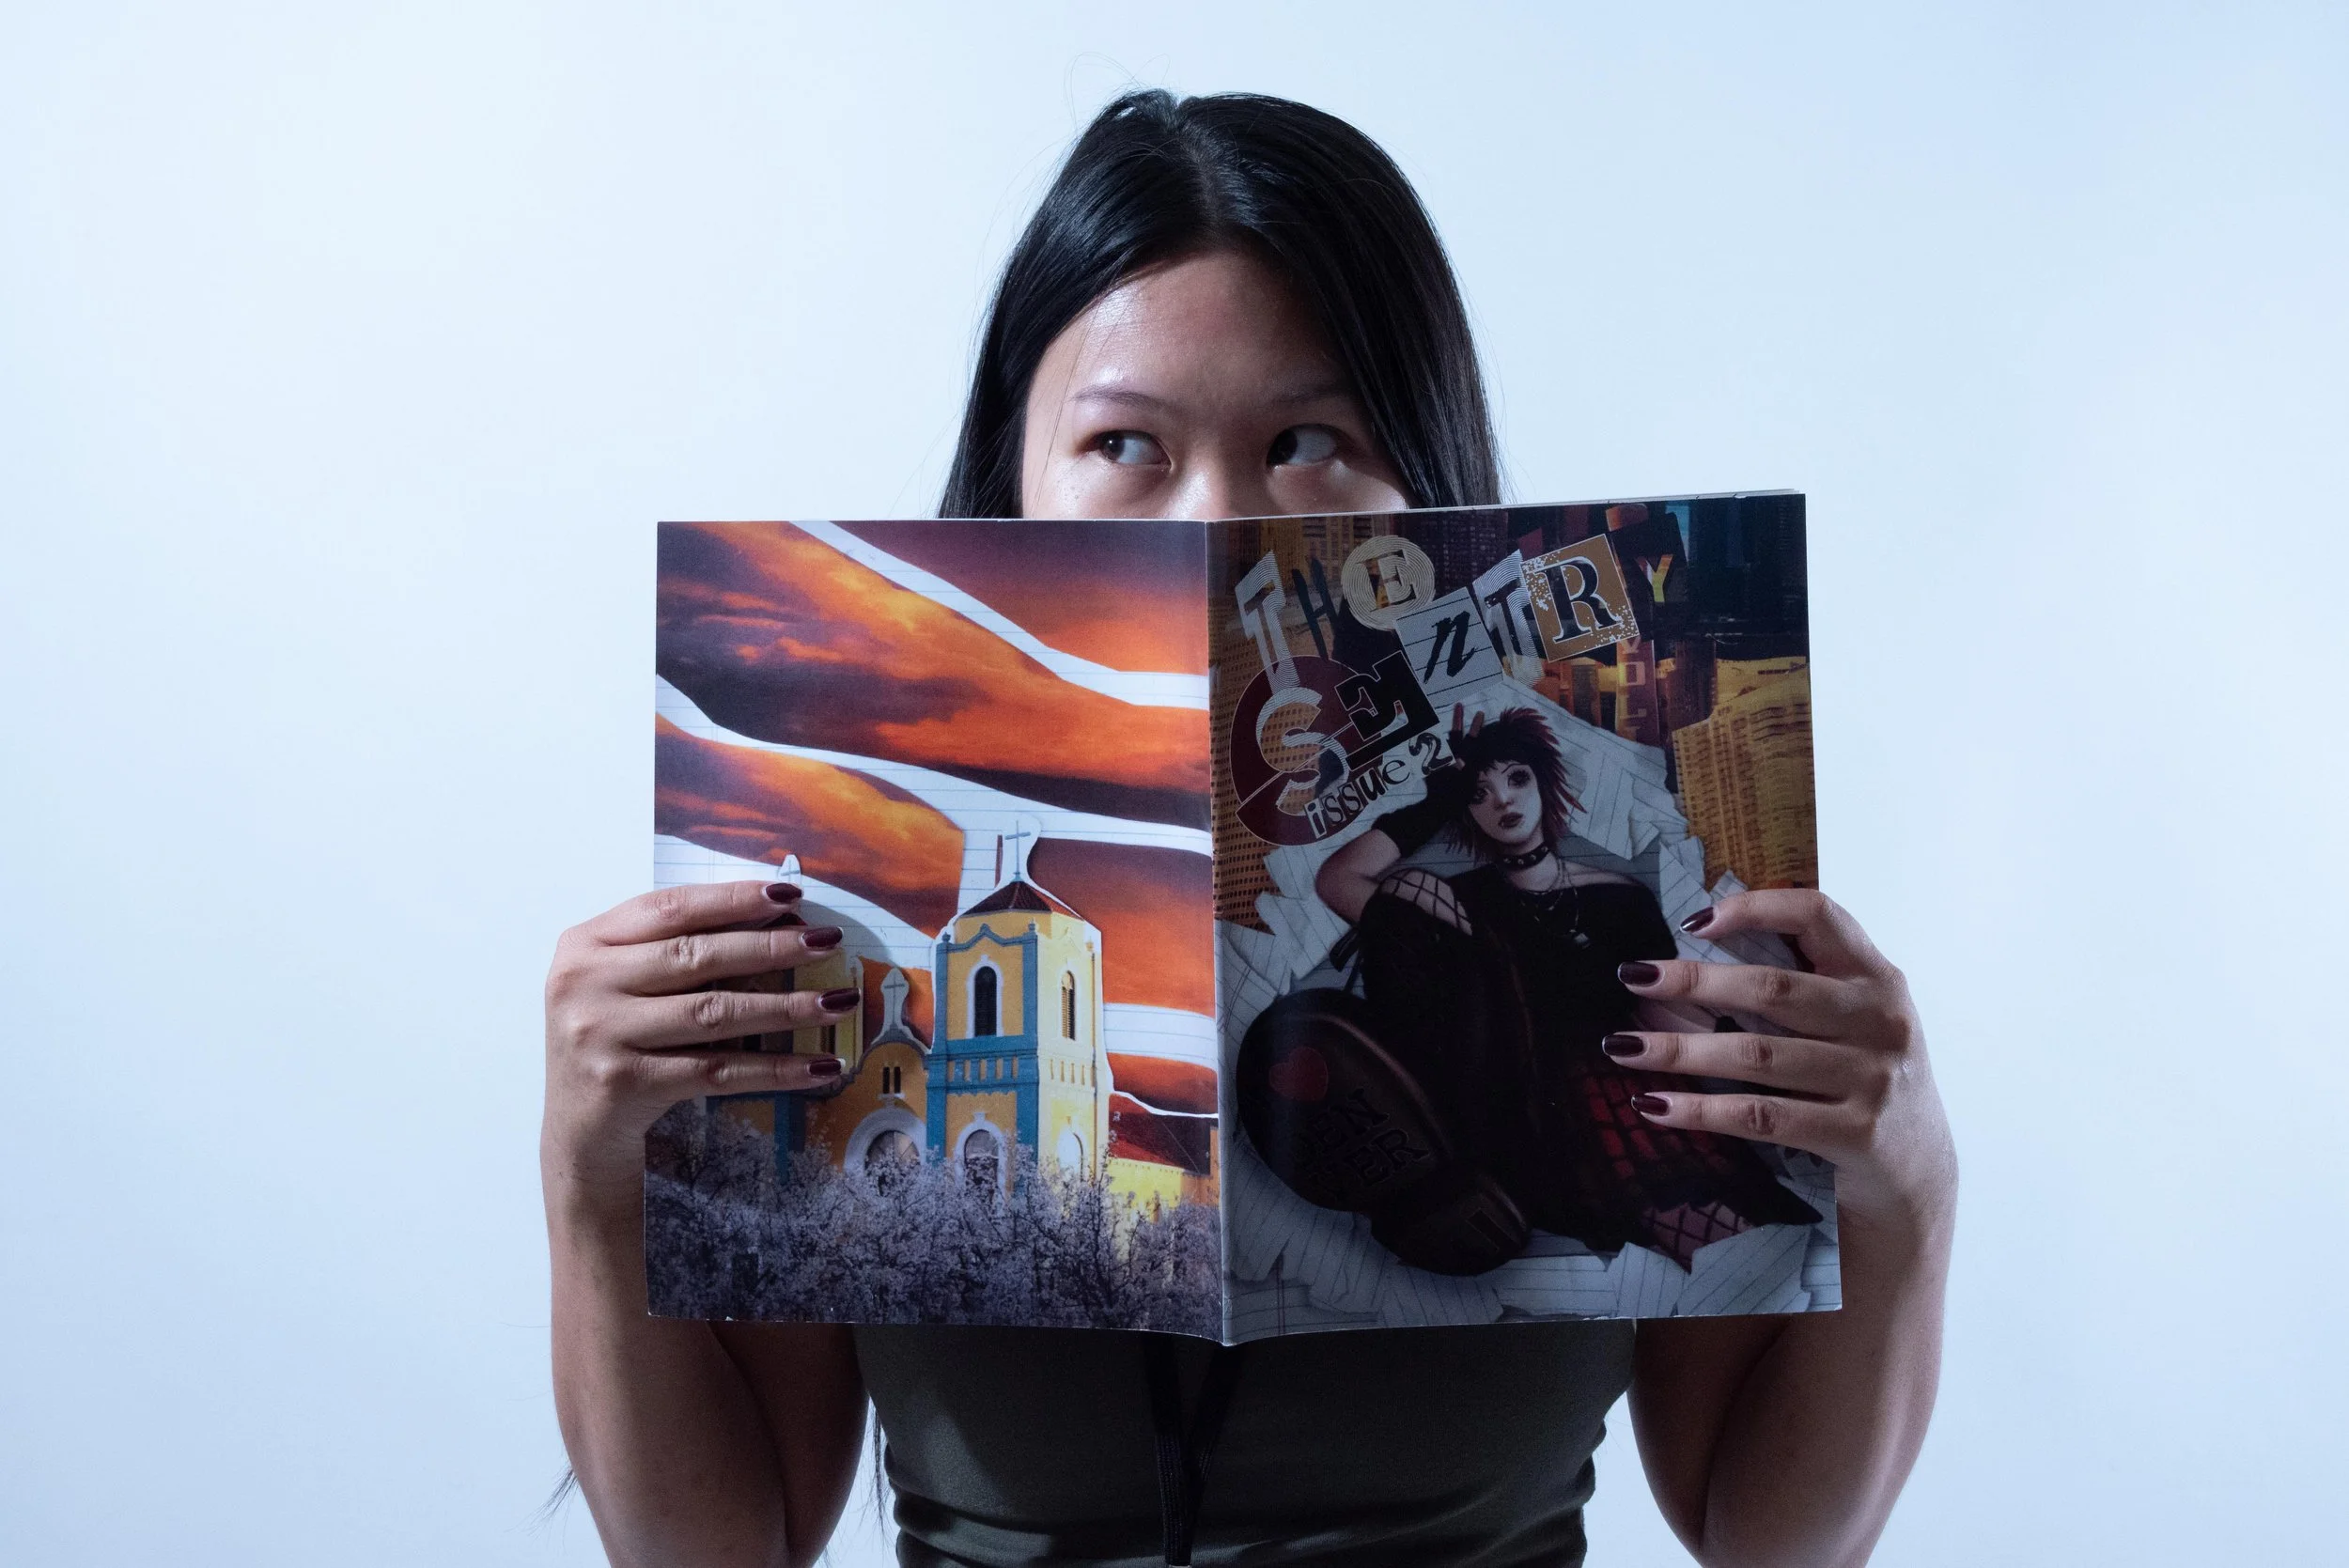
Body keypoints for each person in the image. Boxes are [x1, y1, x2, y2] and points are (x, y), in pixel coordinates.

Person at [543, 89, 1957, 1568]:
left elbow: (1770, 1538)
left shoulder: (1613, 888)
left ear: (1420, 470)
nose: (1210, 518)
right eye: (1125, 446)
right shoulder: (835, 914)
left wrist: (1907, 1184)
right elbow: (721, 1549)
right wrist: (589, 1177)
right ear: (1015, 479)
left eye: (1305, 437)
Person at [1310, 707, 1822, 1272]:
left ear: (1543, 781)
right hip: (1522, 1105)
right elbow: (1338, 881)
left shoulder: (1619, 896)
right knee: (1701, 1235)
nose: (1502, 801)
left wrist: (1752, 1061)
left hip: (1631, 1088)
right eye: (1479, 793)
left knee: (1750, 1240)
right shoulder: (1456, 902)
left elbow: (1660, 1013)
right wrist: (1437, 801)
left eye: (1516, 778)